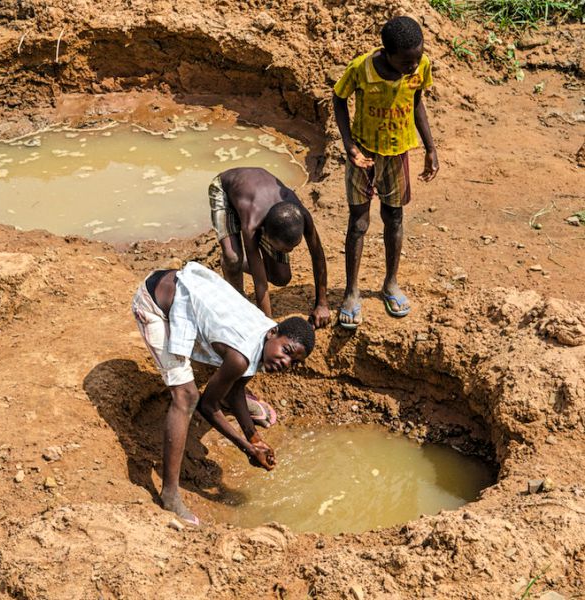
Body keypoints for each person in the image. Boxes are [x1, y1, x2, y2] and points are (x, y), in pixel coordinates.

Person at [132, 261, 315, 525]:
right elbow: (208, 406)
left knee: (230, 376)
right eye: (286, 352)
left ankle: (247, 417)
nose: (286, 363)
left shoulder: (264, 336)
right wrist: (247, 449)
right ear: (274, 332)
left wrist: (253, 435)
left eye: (293, 363)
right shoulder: (241, 356)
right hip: (154, 303)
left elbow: (237, 387)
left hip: (180, 289)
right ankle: (170, 495)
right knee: (187, 397)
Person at [332, 15, 439, 329]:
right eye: (406, 61)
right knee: (359, 221)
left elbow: (418, 102)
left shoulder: (420, 67)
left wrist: (430, 147)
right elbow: (338, 99)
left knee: (394, 217)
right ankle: (352, 291)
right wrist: (349, 145)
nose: (413, 66)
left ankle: (390, 283)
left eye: (417, 59)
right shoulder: (362, 69)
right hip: (363, 154)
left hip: (398, 152)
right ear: (387, 52)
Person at [208, 167, 330, 328]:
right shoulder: (252, 226)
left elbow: (318, 256)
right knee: (233, 257)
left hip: (256, 193)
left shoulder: (302, 216)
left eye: (293, 247)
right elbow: (260, 283)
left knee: (281, 277)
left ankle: (233, 264)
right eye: (284, 248)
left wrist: (322, 303)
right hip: (225, 189)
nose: (290, 252)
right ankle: (236, 296)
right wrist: (268, 326)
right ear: (264, 234)